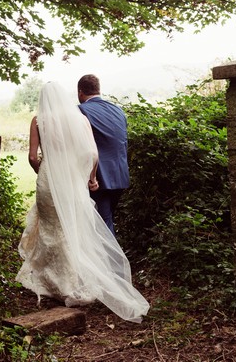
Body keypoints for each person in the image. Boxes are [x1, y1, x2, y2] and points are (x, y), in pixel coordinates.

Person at [16, 81, 149, 322]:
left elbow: (32, 156)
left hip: (49, 180)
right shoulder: (79, 119)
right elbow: (92, 153)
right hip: (73, 180)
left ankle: (53, 281)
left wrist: (43, 171)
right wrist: (89, 178)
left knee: (51, 228)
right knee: (74, 227)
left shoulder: (38, 120)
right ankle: (77, 280)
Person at [77, 74, 129, 235]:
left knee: (103, 223)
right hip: (120, 175)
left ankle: (110, 260)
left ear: (80, 92)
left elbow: (78, 145)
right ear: (98, 89)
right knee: (106, 218)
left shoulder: (80, 111)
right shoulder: (117, 110)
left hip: (98, 178)